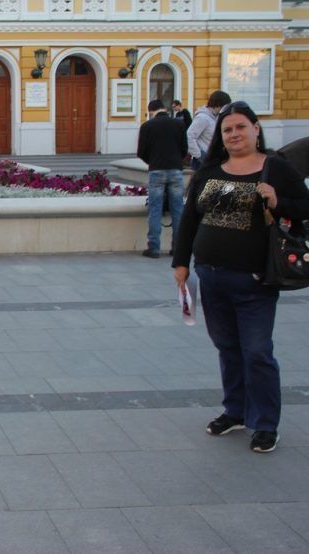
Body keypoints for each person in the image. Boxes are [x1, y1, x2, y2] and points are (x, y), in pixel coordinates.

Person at [171, 101, 309, 454]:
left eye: (240, 127)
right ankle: (236, 410)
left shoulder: (274, 168)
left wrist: (278, 201)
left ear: (255, 129)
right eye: (227, 129)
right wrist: (181, 263)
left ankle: (265, 424)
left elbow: (304, 207)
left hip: (255, 280)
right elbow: (189, 218)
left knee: (258, 353)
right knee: (228, 348)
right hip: (211, 276)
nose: (233, 134)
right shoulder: (211, 170)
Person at [137, 99, 187, 259]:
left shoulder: (147, 126)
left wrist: (152, 161)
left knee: (155, 209)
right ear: (165, 109)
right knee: (178, 209)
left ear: (151, 111)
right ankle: (177, 248)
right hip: (176, 170)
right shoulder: (179, 124)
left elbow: (141, 152)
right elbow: (184, 148)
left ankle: (154, 248)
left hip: (156, 170)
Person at [187, 90, 231, 169]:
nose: (226, 109)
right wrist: (199, 155)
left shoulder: (215, 117)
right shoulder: (202, 118)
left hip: (214, 158)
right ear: (218, 104)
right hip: (204, 160)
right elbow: (189, 136)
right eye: (225, 106)